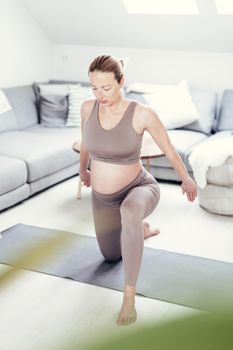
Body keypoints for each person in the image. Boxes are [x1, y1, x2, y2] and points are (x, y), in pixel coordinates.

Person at [79, 54, 197, 326]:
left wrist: (186, 179)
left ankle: (129, 297)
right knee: (110, 256)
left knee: (130, 212)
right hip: (102, 198)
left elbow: (170, 150)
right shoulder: (88, 109)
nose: (99, 94)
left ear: (121, 82)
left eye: (106, 88)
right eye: (94, 88)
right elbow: (86, 143)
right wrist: (83, 169)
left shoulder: (142, 113)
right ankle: (141, 231)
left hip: (139, 188)